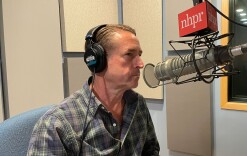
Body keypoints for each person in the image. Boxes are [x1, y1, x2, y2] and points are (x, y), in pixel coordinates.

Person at [27, 24, 160, 155]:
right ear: (97, 60)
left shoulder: (138, 104)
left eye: (139, 55)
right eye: (129, 54)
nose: (140, 64)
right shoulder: (57, 124)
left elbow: (151, 151)